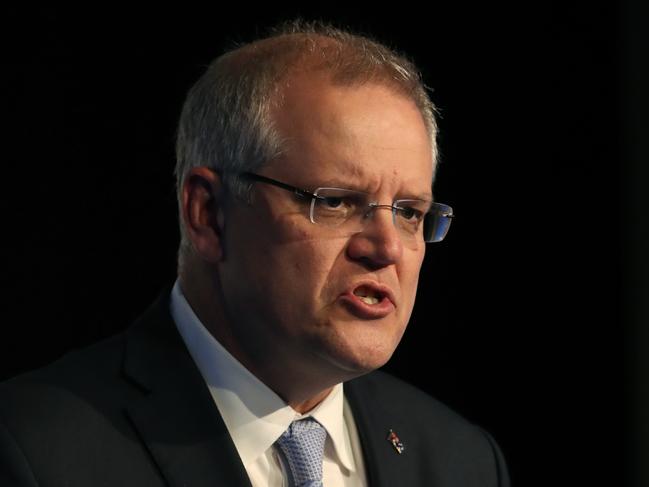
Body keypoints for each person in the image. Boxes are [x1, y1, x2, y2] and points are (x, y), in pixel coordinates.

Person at [0, 21, 509, 486]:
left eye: (410, 213)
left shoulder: (460, 461)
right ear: (208, 214)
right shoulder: (36, 451)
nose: (387, 247)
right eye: (334, 201)